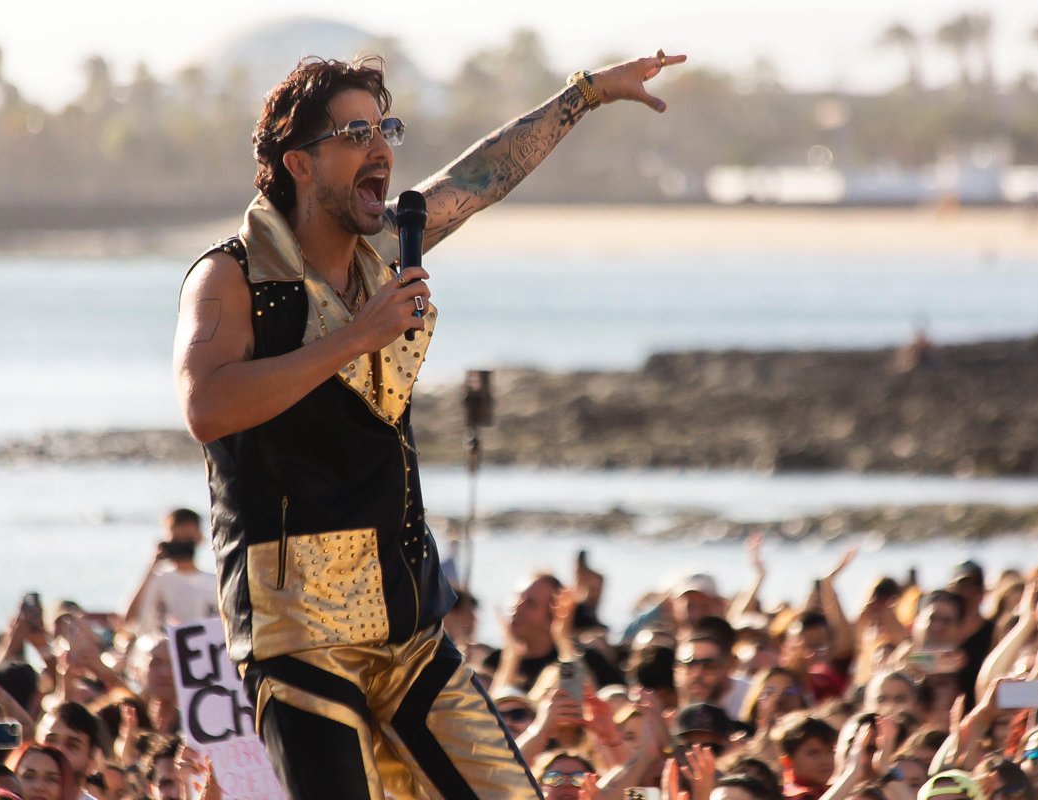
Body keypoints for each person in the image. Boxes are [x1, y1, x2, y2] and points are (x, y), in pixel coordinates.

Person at [172, 48, 685, 799]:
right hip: (296, 634)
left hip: (408, 622)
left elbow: (479, 179)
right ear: (300, 164)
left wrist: (587, 94)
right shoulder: (230, 276)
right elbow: (204, 406)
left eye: (386, 130)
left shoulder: (383, 250)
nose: (379, 149)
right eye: (354, 134)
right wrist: (355, 336)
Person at [122, 508, 219, 636]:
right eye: (177, 540)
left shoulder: (215, 582)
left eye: (187, 540)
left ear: (200, 539)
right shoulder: (157, 578)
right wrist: (153, 564)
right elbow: (129, 619)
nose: (182, 545)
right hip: (160, 649)